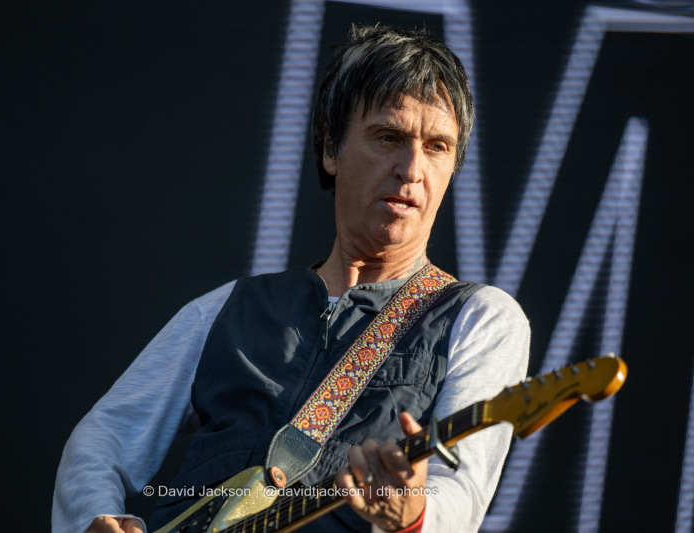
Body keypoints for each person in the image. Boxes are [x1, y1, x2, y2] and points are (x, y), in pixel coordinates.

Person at [53, 25, 529, 533]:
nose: (412, 168)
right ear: (330, 147)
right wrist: (94, 517)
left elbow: (463, 492)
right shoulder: (226, 309)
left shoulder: (482, 320)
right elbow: (102, 437)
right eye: (389, 136)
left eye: (437, 146)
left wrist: (414, 517)